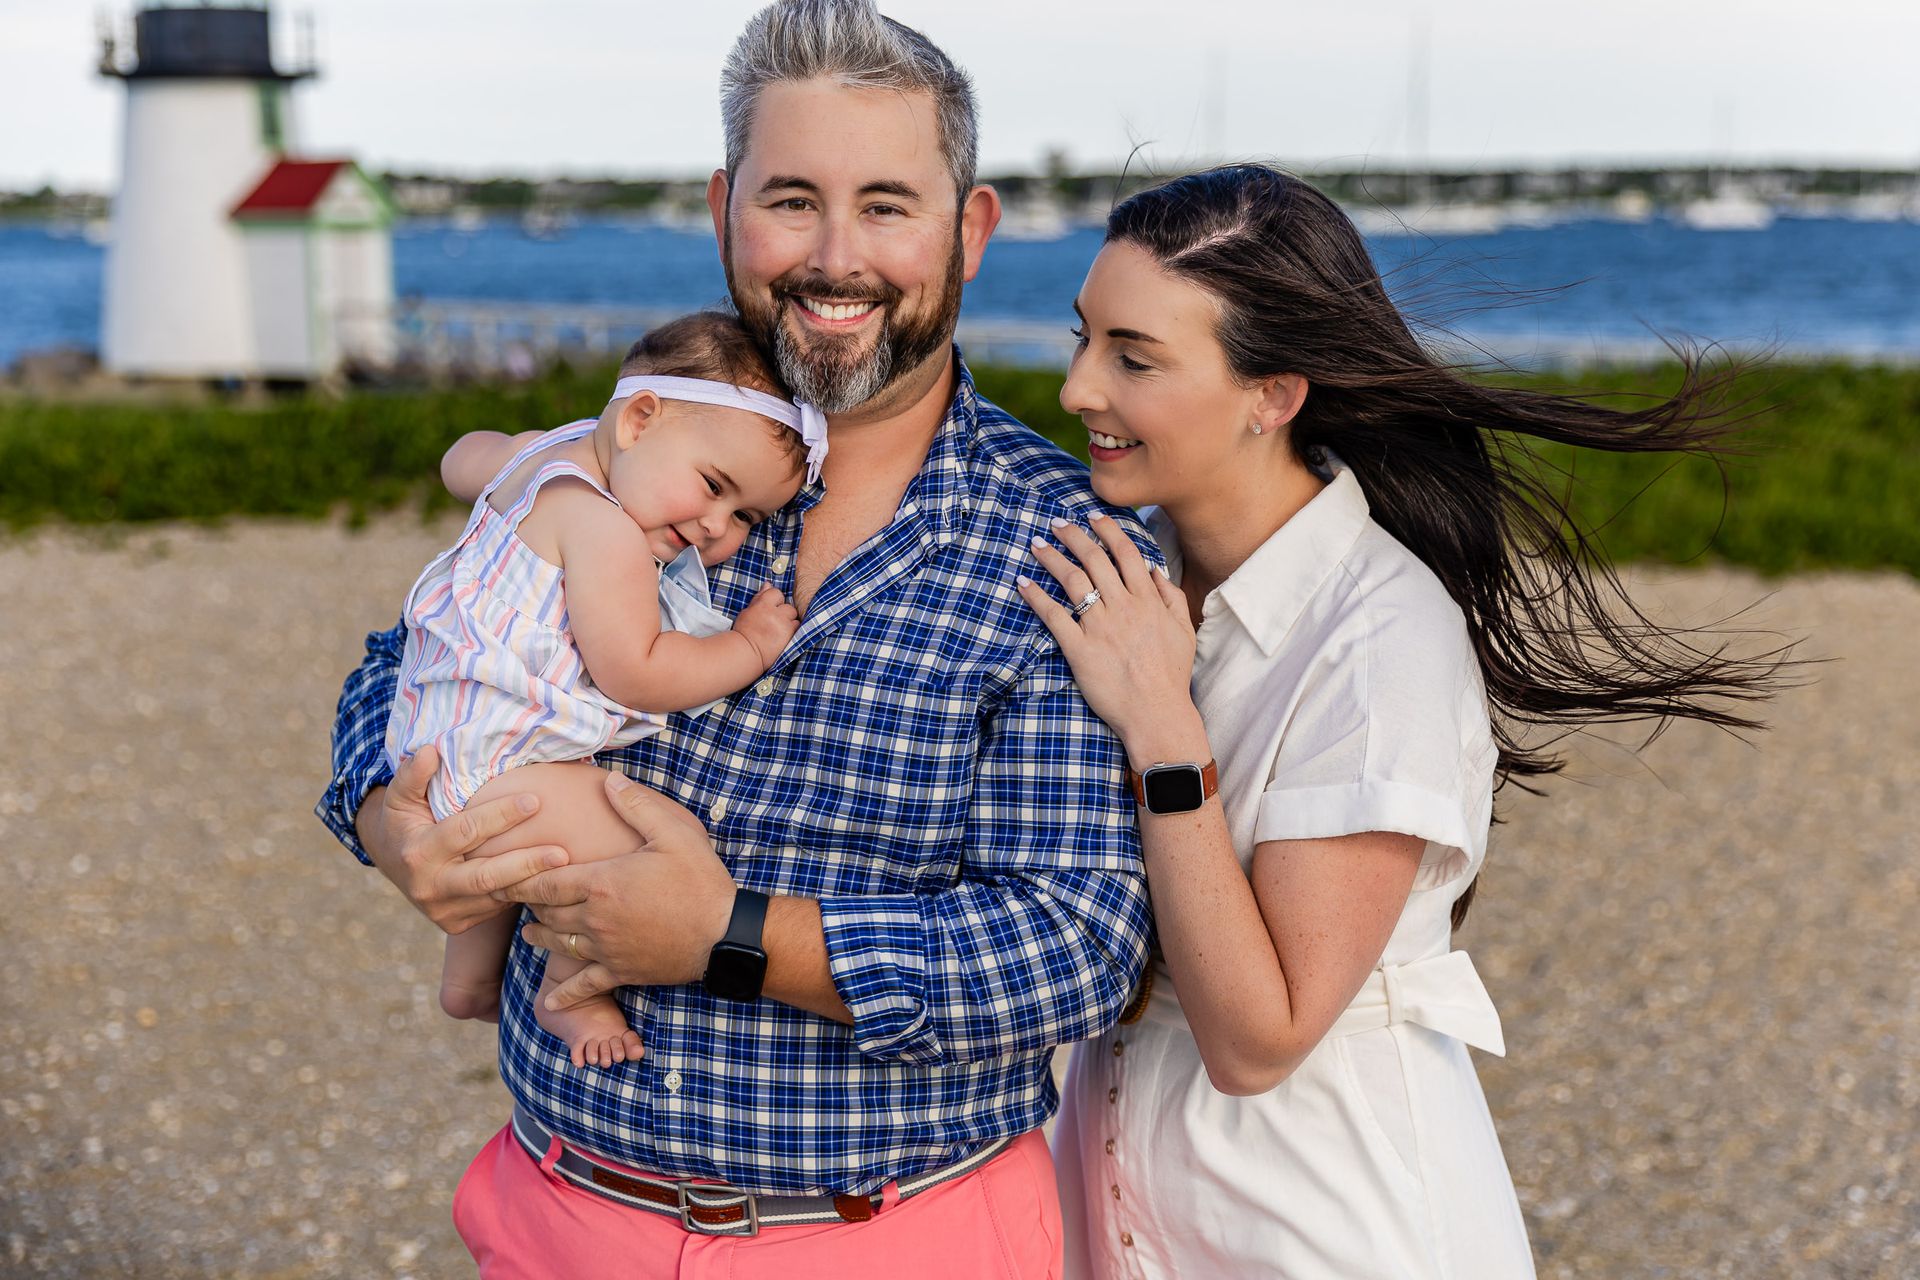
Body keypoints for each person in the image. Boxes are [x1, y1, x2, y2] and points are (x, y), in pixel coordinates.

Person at [315, 2, 1151, 1274]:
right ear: (722, 212)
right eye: (790, 200)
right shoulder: (654, 467)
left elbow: (1077, 944)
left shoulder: (1060, 545)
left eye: (887, 205)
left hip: (894, 1238)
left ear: (970, 231)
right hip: (559, 1213)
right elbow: (411, 655)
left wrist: (733, 933)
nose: (835, 256)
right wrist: (386, 817)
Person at [1022, 165, 1782, 1279]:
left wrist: (1162, 727)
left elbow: (1256, 1034)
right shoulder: (1127, 578)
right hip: (1121, 1201)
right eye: (1083, 336)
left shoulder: (1380, 640)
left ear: (1271, 394)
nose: (1078, 387)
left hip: (1319, 1220)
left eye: (1135, 358)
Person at [389, 312, 813, 1070]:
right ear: (640, 420)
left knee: (515, 848)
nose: (716, 527)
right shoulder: (604, 529)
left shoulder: (543, 456)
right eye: (714, 486)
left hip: (438, 732)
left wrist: (500, 455)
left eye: (747, 516)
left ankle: (470, 978)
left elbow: (462, 458)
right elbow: (637, 669)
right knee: (621, 854)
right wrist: (746, 646)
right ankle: (572, 991)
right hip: (505, 762)